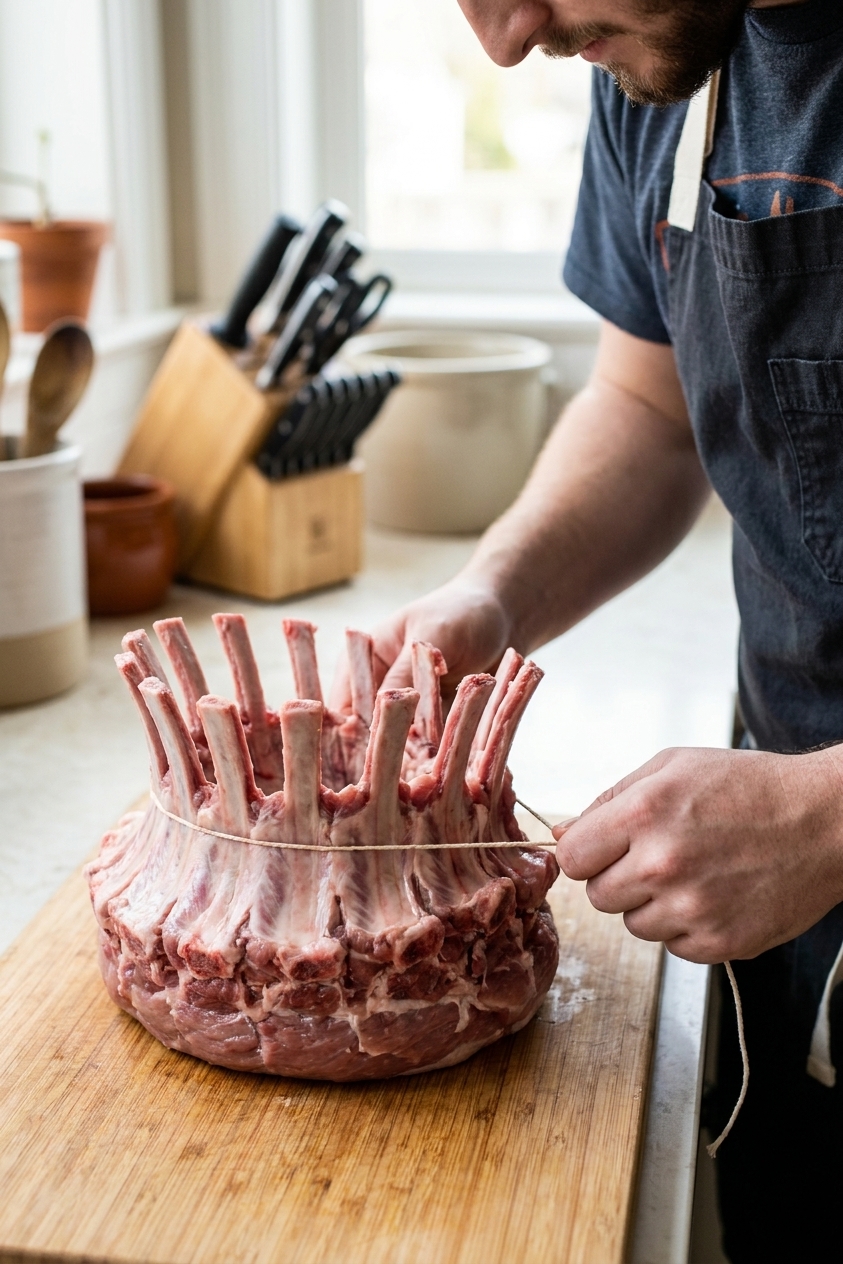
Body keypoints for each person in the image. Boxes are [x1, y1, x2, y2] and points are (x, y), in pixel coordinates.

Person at [333, 1, 843, 1259]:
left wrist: (830, 817)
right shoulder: (663, 51)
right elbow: (649, 402)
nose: (505, 38)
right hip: (786, 919)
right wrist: (494, 595)